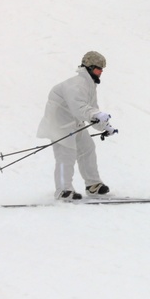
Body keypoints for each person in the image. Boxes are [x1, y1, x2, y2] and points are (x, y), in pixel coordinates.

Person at [36, 51, 119, 200]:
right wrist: (95, 115)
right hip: (59, 125)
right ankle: (63, 190)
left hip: (75, 123)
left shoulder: (89, 85)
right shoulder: (76, 84)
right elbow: (80, 108)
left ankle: (93, 185)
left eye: (102, 70)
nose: (100, 72)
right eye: (98, 69)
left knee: (87, 148)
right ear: (89, 67)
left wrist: (104, 126)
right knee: (66, 156)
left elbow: (92, 108)